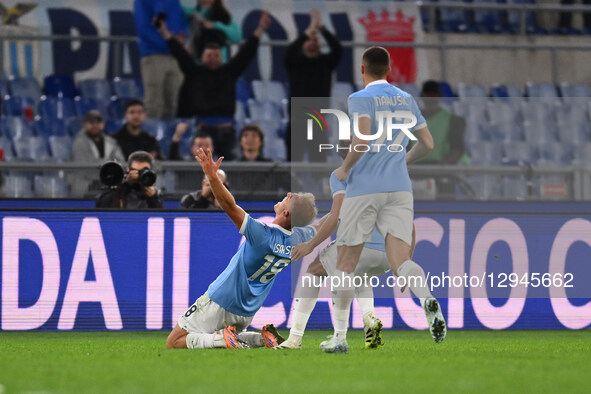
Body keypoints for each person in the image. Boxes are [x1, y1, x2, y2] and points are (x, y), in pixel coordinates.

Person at [326, 47, 445, 353]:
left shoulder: (359, 98)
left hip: (364, 187)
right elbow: (428, 144)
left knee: (345, 263)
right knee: (401, 261)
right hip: (400, 188)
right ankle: (428, 299)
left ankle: (339, 338)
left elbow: (362, 139)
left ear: (363, 69)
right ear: (389, 69)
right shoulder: (406, 99)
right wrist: (403, 161)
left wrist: (345, 167)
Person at [166, 147, 319, 349]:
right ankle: (259, 339)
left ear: (286, 214)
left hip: (221, 298)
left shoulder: (263, 234)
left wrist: (212, 176)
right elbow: (320, 225)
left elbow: (229, 206)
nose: (288, 193)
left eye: (292, 198)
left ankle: (220, 340)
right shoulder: (300, 239)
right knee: (228, 334)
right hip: (247, 311)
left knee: (174, 342)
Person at [279, 148, 417, 351]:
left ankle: (297, 338)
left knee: (313, 272)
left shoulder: (340, 175)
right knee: (359, 276)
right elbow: (410, 225)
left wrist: (310, 245)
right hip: (387, 255)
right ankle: (370, 321)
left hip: (361, 248)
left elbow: (336, 216)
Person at [156, 12, 270, 160]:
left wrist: (260, 29)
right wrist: (164, 33)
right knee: (200, 168)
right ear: (202, 57)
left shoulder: (229, 72)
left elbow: (246, 53)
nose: (212, 58)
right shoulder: (195, 72)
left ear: (221, 57)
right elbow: (179, 52)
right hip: (203, 130)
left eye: (216, 56)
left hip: (227, 130)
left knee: (233, 171)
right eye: (209, 55)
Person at [285, 9, 342, 162]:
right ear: (303, 43)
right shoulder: (295, 63)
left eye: (315, 39)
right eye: (309, 39)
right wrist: (309, 30)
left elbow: (338, 49)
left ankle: (317, 185)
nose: (313, 42)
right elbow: (289, 52)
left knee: (318, 162)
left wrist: (322, 28)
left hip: (318, 120)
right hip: (297, 119)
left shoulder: (325, 62)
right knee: (293, 161)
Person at [134, 0, 186, 119]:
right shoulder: (142, 1)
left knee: (175, 103)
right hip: (153, 55)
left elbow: (182, 23)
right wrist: (170, 43)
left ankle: (171, 136)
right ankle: (151, 135)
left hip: (175, 58)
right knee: (154, 103)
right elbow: (143, 29)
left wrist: (181, 37)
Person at [70, 110, 125, 197]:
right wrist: (108, 168)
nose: (95, 125)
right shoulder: (79, 143)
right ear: (84, 124)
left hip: (109, 187)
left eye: (98, 122)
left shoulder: (111, 142)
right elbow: (85, 169)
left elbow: (120, 162)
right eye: (91, 122)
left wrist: (102, 167)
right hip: (84, 190)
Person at [95, 151, 163, 208]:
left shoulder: (154, 191)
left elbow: (160, 219)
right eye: (135, 171)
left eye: (144, 171)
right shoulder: (115, 186)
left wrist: (153, 198)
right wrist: (126, 185)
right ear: (128, 170)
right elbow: (102, 206)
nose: (139, 175)